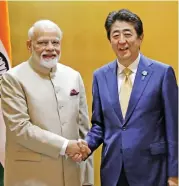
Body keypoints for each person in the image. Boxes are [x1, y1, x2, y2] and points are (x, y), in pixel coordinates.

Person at [82, 9, 178, 186]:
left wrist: (174, 175)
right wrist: (86, 145)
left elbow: (174, 127)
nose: (121, 41)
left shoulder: (162, 73)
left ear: (140, 38)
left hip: (152, 171)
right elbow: (99, 124)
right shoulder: (100, 76)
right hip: (113, 172)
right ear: (109, 40)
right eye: (115, 35)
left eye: (128, 34)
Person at [0, 20, 93, 186]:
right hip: (31, 178)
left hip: (72, 175)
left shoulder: (73, 76)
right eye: (42, 42)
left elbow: (83, 129)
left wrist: (87, 179)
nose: (50, 48)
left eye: (55, 42)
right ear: (29, 45)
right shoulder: (12, 79)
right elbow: (20, 128)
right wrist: (65, 146)